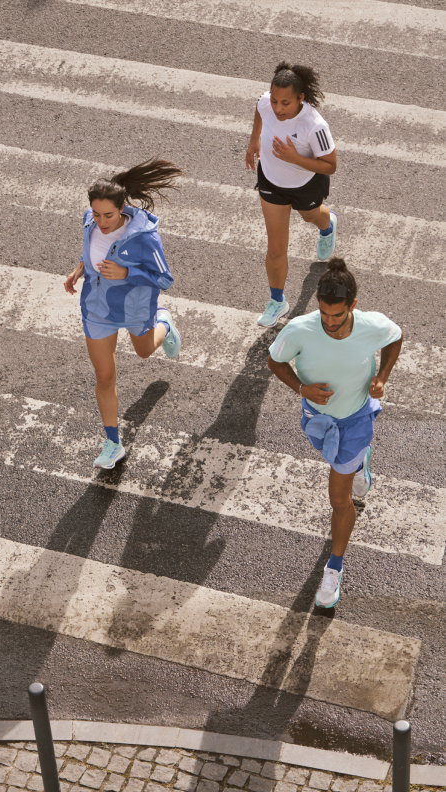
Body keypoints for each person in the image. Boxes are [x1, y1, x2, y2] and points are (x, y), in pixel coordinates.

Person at [267, 258, 402, 608]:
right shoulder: (300, 329)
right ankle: (360, 462)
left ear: (353, 306)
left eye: (337, 316)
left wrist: (382, 377)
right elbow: (274, 360)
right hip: (318, 420)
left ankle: (334, 568)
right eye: (324, 314)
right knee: (339, 464)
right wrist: (301, 389)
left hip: (355, 421)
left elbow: (395, 337)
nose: (329, 323)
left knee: (339, 501)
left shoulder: (372, 325)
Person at [64, 158, 184, 470]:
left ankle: (165, 324)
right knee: (104, 376)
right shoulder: (89, 223)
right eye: (96, 213)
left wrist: (127, 272)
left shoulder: (144, 237)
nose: (101, 221)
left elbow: (164, 279)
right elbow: (89, 251)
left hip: (135, 307)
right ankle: (112, 442)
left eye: (109, 215)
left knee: (144, 352)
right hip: (97, 308)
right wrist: (79, 269)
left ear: (122, 209)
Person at [246, 61, 338, 328]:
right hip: (271, 181)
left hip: (306, 184)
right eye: (275, 100)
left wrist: (294, 158)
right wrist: (254, 140)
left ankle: (327, 224)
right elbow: (260, 109)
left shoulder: (315, 126)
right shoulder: (266, 103)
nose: (278, 108)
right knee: (276, 247)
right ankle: (277, 301)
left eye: (285, 103)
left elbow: (330, 165)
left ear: (301, 98)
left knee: (311, 217)